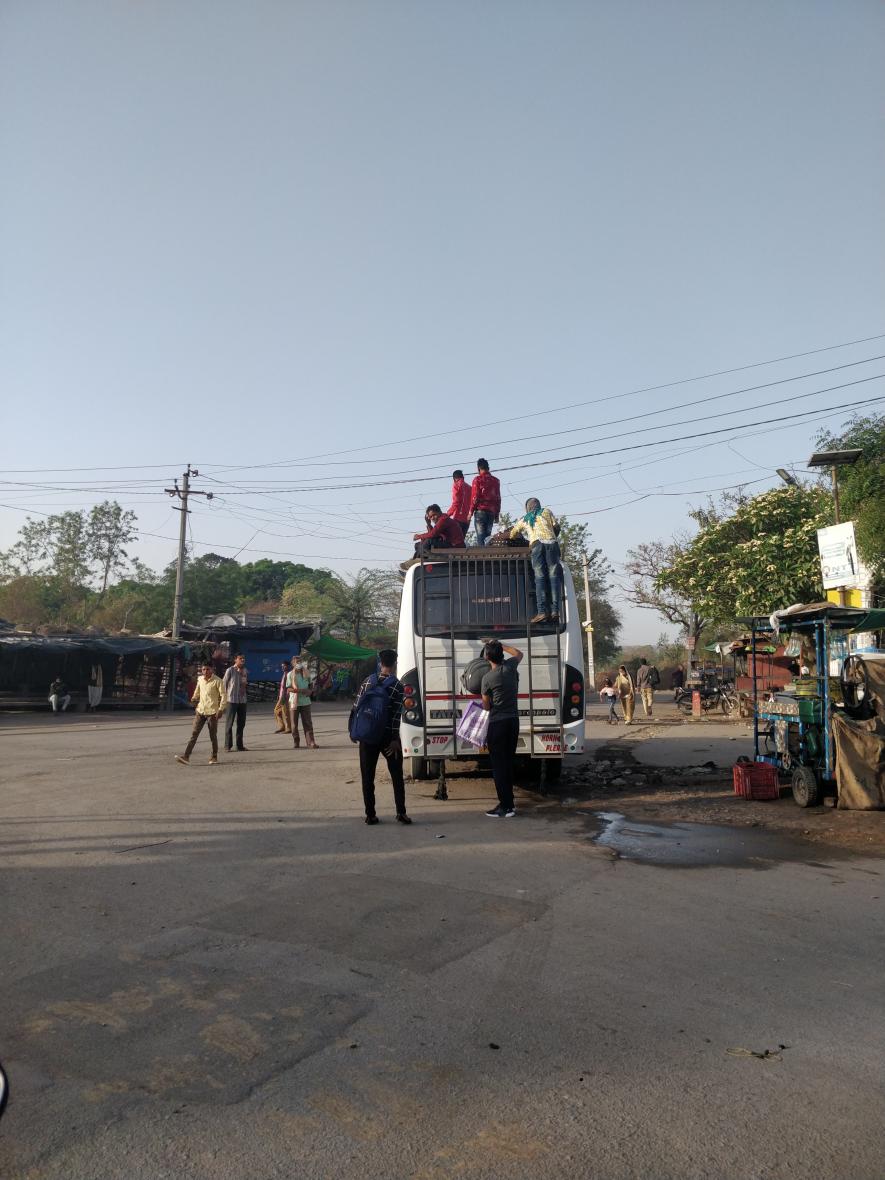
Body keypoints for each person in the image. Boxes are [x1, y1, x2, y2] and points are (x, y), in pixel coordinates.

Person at [351, 649, 410, 824]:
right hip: (387, 738)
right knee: (396, 775)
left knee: (367, 776)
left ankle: (370, 815)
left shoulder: (368, 681)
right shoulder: (397, 686)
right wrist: (395, 739)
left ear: (380, 663)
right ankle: (401, 813)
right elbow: (396, 716)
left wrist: (354, 730)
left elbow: (356, 707)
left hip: (367, 736)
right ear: (394, 664)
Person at [480, 640, 524, 817]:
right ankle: (509, 803)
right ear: (501, 654)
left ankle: (505, 807)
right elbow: (519, 653)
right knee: (507, 763)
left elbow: (486, 707)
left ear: (487, 657)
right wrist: (500, 644)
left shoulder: (487, 678)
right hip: (513, 722)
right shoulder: (511, 667)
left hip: (498, 724)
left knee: (499, 767)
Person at [509, 497, 563, 624]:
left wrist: (515, 536)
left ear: (528, 508)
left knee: (540, 578)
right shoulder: (547, 511)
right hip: (552, 545)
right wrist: (551, 535)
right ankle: (555, 611)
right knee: (553, 577)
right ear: (538, 505)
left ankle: (541, 612)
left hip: (537, 545)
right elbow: (556, 527)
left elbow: (513, 534)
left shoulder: (525, 518)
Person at [175, 662, 227, 765]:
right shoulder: (200, 679)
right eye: (203, 669)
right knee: (194, 734)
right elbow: (197, 691)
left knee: (213, 735)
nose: (205, 671)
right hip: (200, 711)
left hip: (212, 713)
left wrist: (221, 709)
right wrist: (194, 699)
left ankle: (214, 756)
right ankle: (186, 756)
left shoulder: (218, 681)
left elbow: (223, 696)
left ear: (212, 670)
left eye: (208, 669)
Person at [467, 458, 501, 547]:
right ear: (488, 468)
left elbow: (475, 498)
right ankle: (488, 555)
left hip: (480, 512)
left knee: (481, 537)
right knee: (488, 539)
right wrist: (497, 514)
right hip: (491, 513)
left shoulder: (477, 479)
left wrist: (470, 513)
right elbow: (498, 498)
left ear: (478, 468)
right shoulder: (496, 481)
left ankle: (482, 555)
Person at [287, 657, 318, 748]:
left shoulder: (307, 672)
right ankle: (296, 741)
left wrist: (310, 691)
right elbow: (288, 688)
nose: (299, 663)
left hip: (305, 702)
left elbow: (311, 685)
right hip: (294, 702)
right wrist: (300, 690)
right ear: (293, 663)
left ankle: (311, 742)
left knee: (308, 723)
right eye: (297, 662)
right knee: (294, 724)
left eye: (300, 661)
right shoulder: (290, 674)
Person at [222, 653, 249, 752]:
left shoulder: (245, 670)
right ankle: (227, 746)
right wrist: (223, 699)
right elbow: (224, 684)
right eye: (240, 658)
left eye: (243, 658)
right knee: (229, 723)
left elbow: (244, 683)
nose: (242, 660)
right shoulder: (230, 670)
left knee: (241, 723)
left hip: (242, 700)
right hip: (231, 700)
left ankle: (240, 745)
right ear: (235, 660)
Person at [447, 469, 472, 543]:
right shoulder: (470, 488)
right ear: (463, 477)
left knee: (453, 542)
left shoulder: (456, 485)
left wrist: (447, 514)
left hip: (458, 518)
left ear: (454, 479)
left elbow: (456, 502)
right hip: (467, 520)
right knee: (461, 542)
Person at [273, 662, 292, 733]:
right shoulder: (284, 674)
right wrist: (279, 695)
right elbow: (282, 687)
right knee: (278, 711)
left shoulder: (288, 674)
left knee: (285, 712)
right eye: (282, 666)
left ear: (288, 666)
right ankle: (282, 726)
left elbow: (287, 687)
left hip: (285, 696)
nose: (282, 667)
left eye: (284, 666)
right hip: (282, 695)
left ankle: (288, 728)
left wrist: (284, 696)